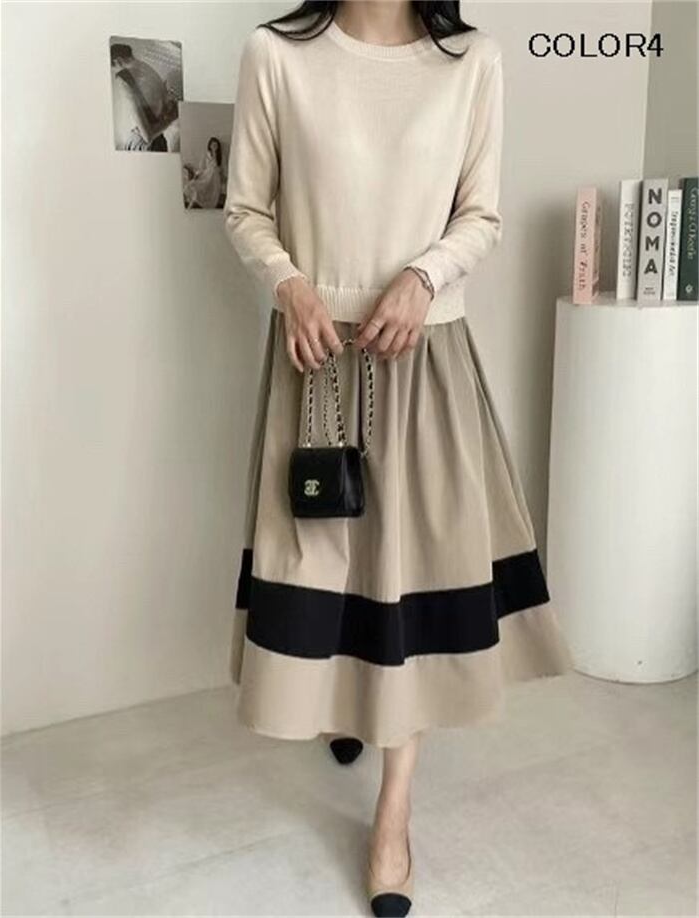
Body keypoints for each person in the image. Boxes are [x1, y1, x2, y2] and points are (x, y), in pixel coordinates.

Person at [223, 3, 573, 915]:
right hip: (315, 358)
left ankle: (393, 818)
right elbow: (246, 208)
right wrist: (290, 284)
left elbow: (481, 215)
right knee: (326, 564)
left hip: (424, 354)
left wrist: (423, 278)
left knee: (410, 580)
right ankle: (342, 708)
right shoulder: (276, 55)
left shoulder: (471, 61)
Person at [184, 137, 224, 208]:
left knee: (214, 170)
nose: (214, 147)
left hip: (215, 177)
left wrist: (215, 154)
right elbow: (202, 167)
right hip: (206, 175)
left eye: (216, 145)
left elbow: (219, 167)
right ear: (209, 146)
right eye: (213, 145)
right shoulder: (206, 155)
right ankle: (192, 202)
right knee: (192, 185)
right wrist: (198, 174)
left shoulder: (220, 156)